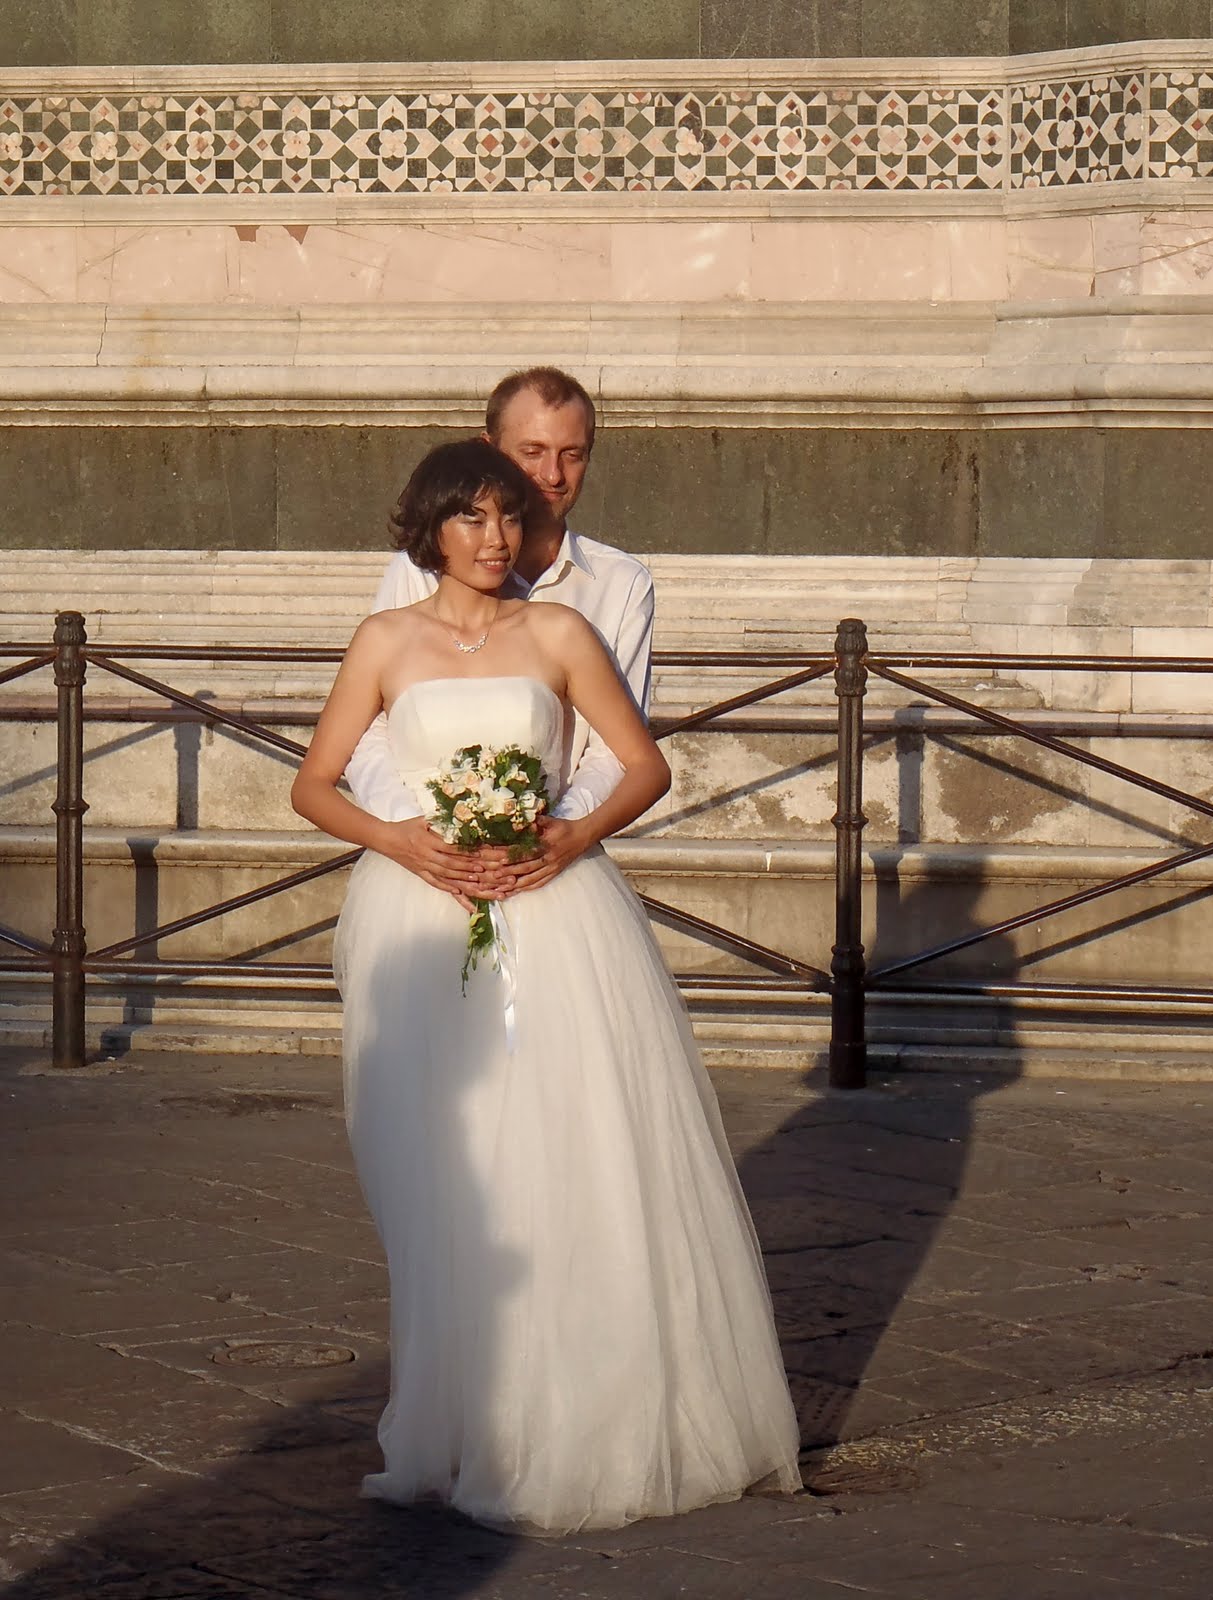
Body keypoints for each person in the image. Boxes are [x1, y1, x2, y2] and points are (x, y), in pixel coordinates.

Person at [291, 439, 802, 1534]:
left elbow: (644, 763)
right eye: (473, 517)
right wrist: (402, 839)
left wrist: (569, 835)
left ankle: (588, 1413)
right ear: (430, 527)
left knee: (572, 1145)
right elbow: (314, 784)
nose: (496, 538)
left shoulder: (559, 631)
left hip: (556, 912)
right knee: (448, 1170)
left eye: (509, 518)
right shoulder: (384, 640)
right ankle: (466, 1417)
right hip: (420, 918)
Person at [345, 365, 654, 908]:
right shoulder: (419, 570)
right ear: (489, 449)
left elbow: (618, 749)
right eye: (532, 452)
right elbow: (368, 730)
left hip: (551, 868)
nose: (552, 475)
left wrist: (552, 838)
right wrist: (422, 837)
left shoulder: (621, 584)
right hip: (428, 868)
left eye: (573, 454)